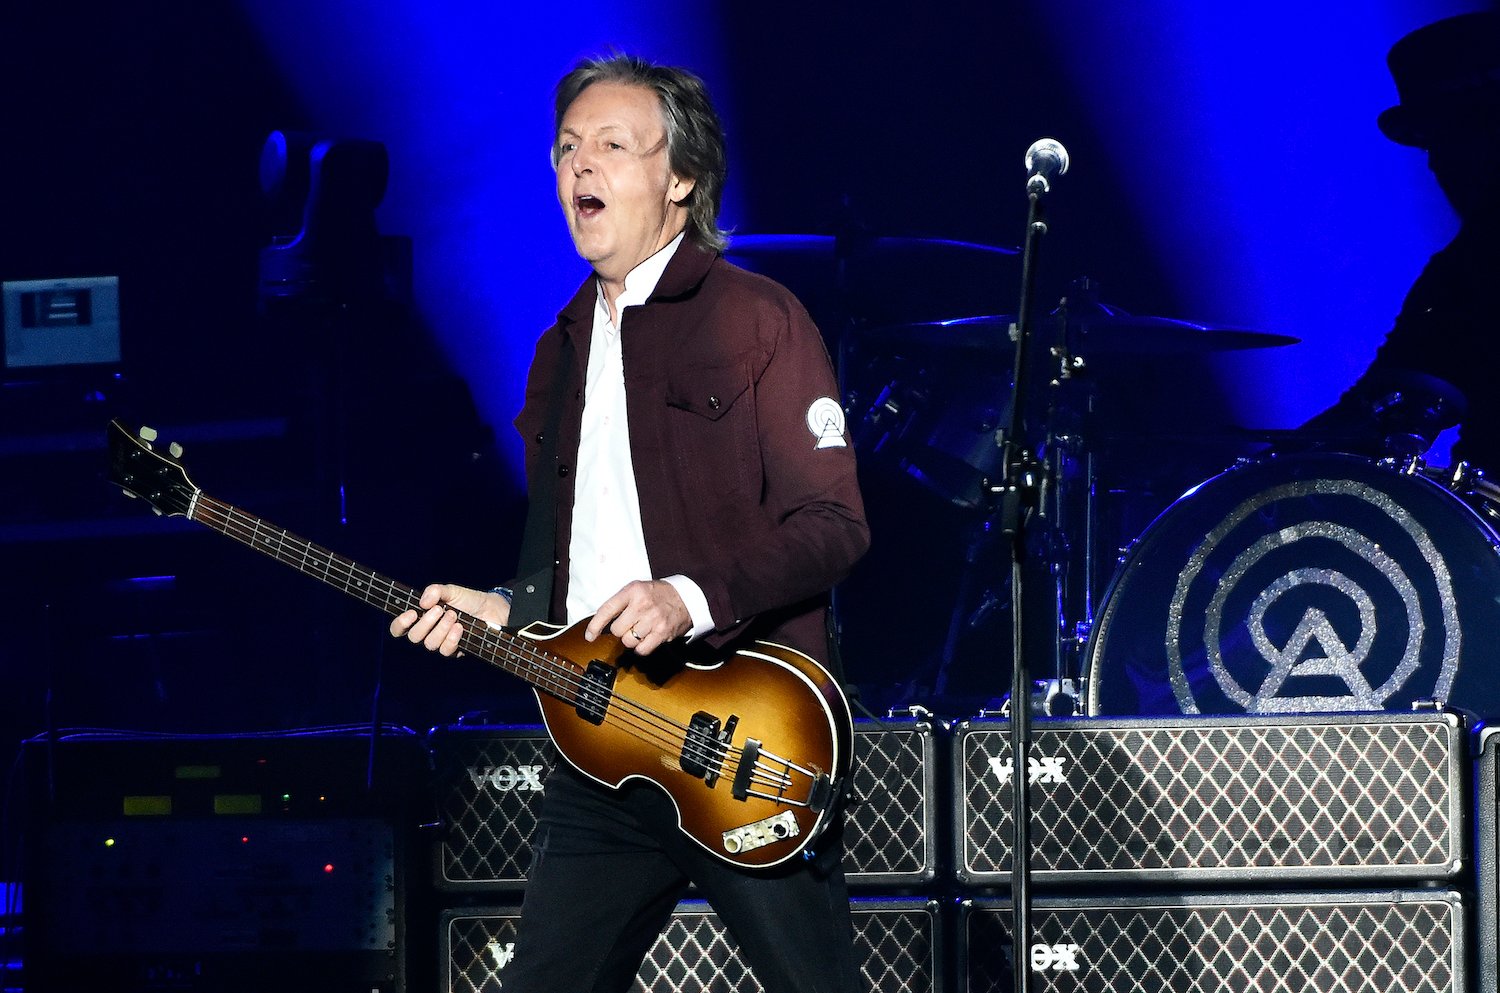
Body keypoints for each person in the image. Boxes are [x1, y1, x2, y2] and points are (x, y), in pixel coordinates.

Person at [389, 54, 870, 993]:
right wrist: (500, 605)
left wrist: (689, 598)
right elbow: (563, 572)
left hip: (741, 742)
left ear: (680, 178)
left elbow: (835, 524)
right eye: (568, 149)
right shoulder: (556, 352)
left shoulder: (760, 319)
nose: (581, 168)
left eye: (611, 145)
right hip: (600, 753)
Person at [1303, 10, 1500, 468]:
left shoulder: (1469, 264)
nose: (1434, 165)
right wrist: (1250, 467)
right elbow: (1383, 409)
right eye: (1428, 144)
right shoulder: (1466, 268)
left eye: (1447, 140)